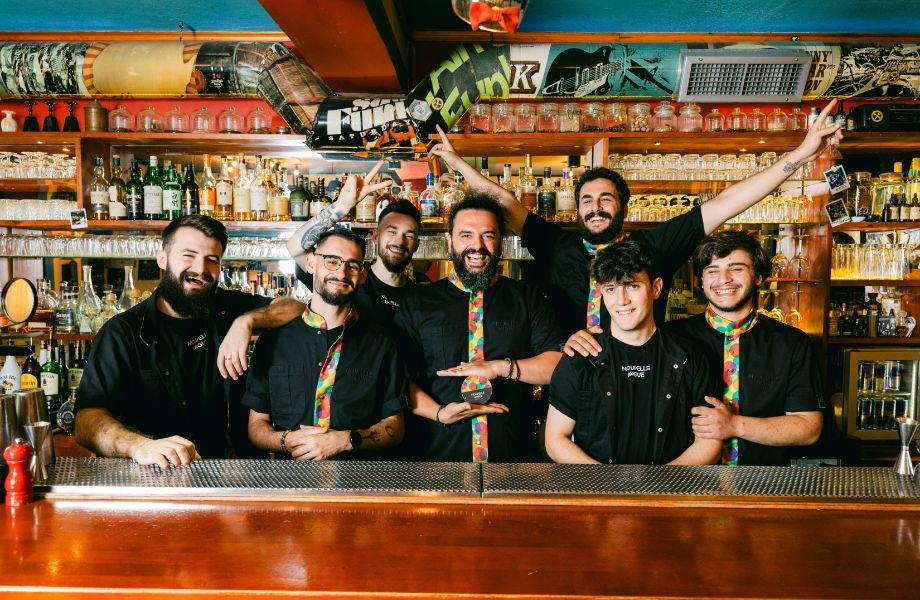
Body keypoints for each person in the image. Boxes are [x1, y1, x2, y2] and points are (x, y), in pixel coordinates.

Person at [429, 100, 844, 337]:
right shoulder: (556, 245)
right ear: (578, 208)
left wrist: (799, 155)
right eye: (587, 200)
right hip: (568, 377)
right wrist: (456, 163)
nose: (595, 208)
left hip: (639, 376)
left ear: (622, 207)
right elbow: (502, 201)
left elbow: (728, 202)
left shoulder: (652, 247)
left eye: (605, 199)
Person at [75, 215, 306, 469]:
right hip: (157, 475)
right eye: (189, 255)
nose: (201, 269)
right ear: (162, 259)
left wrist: (247, 321)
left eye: (212, 259)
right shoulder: (124, 332)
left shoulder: (230, 308)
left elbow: (296, 308)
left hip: (234, 474)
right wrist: (138, 445)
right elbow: (86, 420)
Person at [393, 195, 563, 462]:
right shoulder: (418, 302)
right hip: (438, 458)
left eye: (488, 235)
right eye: (466, 235)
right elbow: (395, 377)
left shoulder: (527, 298)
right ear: (449, 241)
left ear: (501, 242)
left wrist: (501, 367)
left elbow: (556, 365)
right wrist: (438, 413)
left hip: (513, 458)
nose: (477, 246)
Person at [545, 240, 720, 465]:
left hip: (669, 487)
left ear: (656, 288)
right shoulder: (580, 356)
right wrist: (607, 482)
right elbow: (555, 439)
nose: (621, 300)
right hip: (599, 486)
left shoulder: (690, 357)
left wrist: (661, 483)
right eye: (611, 289)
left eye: (632, 286)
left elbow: (710, 441)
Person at [243, 228, 405, 459]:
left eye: (352, 265)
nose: (341, 272)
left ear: (362, 275)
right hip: (289, 478)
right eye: (332, 261)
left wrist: (347, 440)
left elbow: (395, 427)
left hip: (358, 478)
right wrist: (287, 441)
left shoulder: (382, 343)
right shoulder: (273, 340)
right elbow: (256, 425)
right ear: (311, 263)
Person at [665, 231, 823, 465]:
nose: (724, 279)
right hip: (687, 481)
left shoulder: (792, 343)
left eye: (736, 268)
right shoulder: (671, 338)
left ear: (757, 276)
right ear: (700, 281)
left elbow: (809, 428)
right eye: (712, 270)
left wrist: (734, 425)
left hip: (764, 481)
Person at [285, 160, 426, 324]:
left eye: (409, 235)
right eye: (392, 231)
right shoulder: (348, 276)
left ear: (417, 244)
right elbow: (294, 247)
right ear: (375, 236)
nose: (399, 241)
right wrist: (341, 207)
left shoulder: (421, 292)